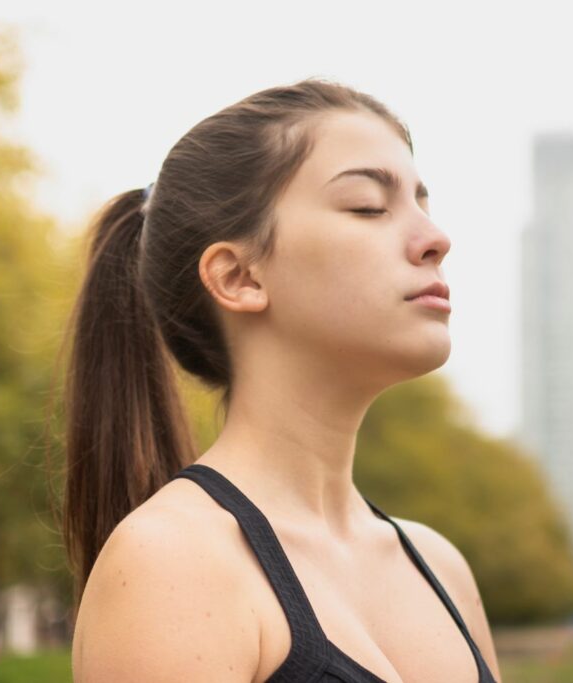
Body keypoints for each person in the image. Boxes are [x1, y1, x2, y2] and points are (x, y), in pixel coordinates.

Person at [61, 77, 501, 682]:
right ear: (239, 277)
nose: (436, 239)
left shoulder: (440, 567)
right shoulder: (172, 562)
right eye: (368, 206)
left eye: (422, 205)